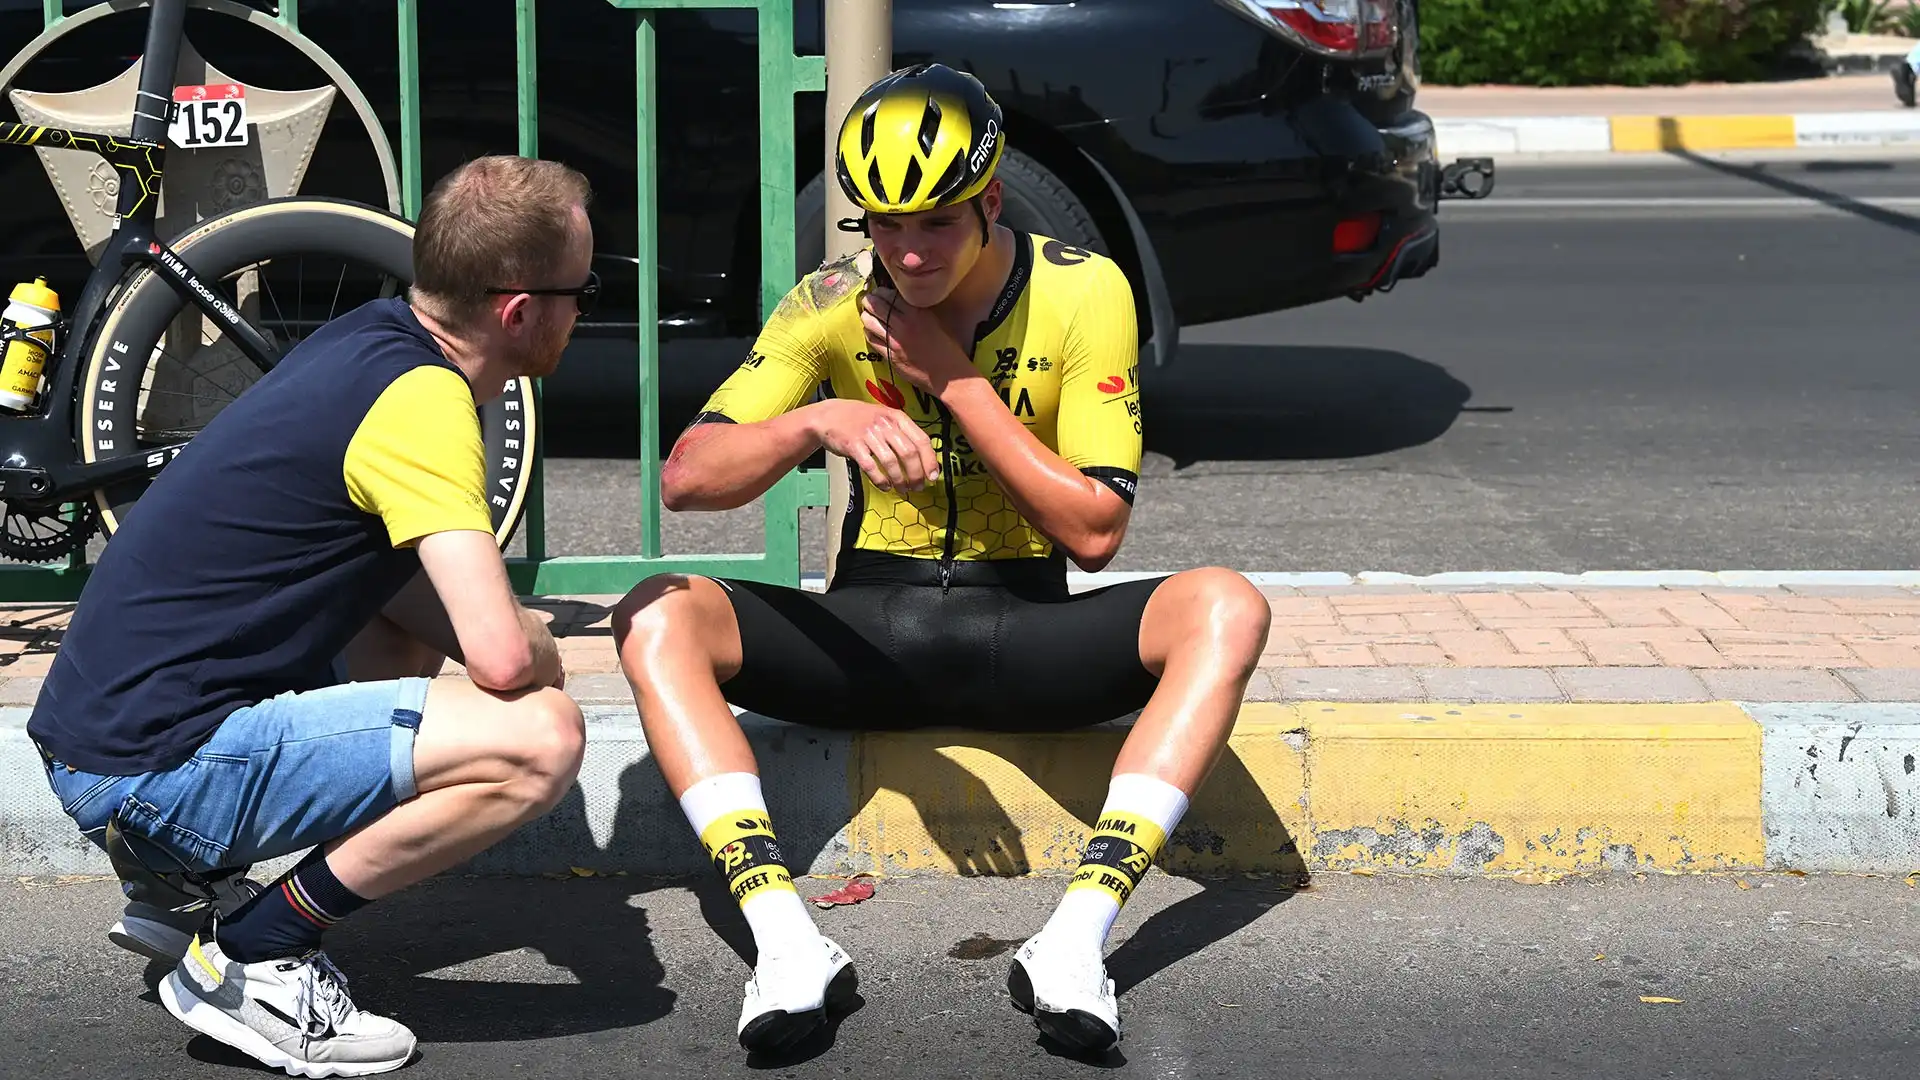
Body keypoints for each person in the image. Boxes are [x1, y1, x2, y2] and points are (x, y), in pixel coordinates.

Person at [610, 63, 1272, 1057]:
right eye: (885, 224)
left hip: (1027, 626)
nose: (909, 254)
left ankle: (1074, 940)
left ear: (991, 201)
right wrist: (819, 419)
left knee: (1227, 605)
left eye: (937, 223)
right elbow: (688, 477)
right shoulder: (833, 302)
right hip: (872, 629)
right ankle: (786, 942)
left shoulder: (1083, 292)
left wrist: (953, 382)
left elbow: (1094, 531)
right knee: (657, 609)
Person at [27, 154, 594, 1077]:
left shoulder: (367, 339)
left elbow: (408, 593)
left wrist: (505, 639)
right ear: (520, 311)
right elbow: (499, 658)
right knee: (541, 737)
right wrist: (534, 643)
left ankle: (181, 887)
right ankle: (250, 956)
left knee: (396, 619)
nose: (583, 310)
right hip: (149, 769)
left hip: (100, 740)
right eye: (584, 289)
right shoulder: (425, 403)